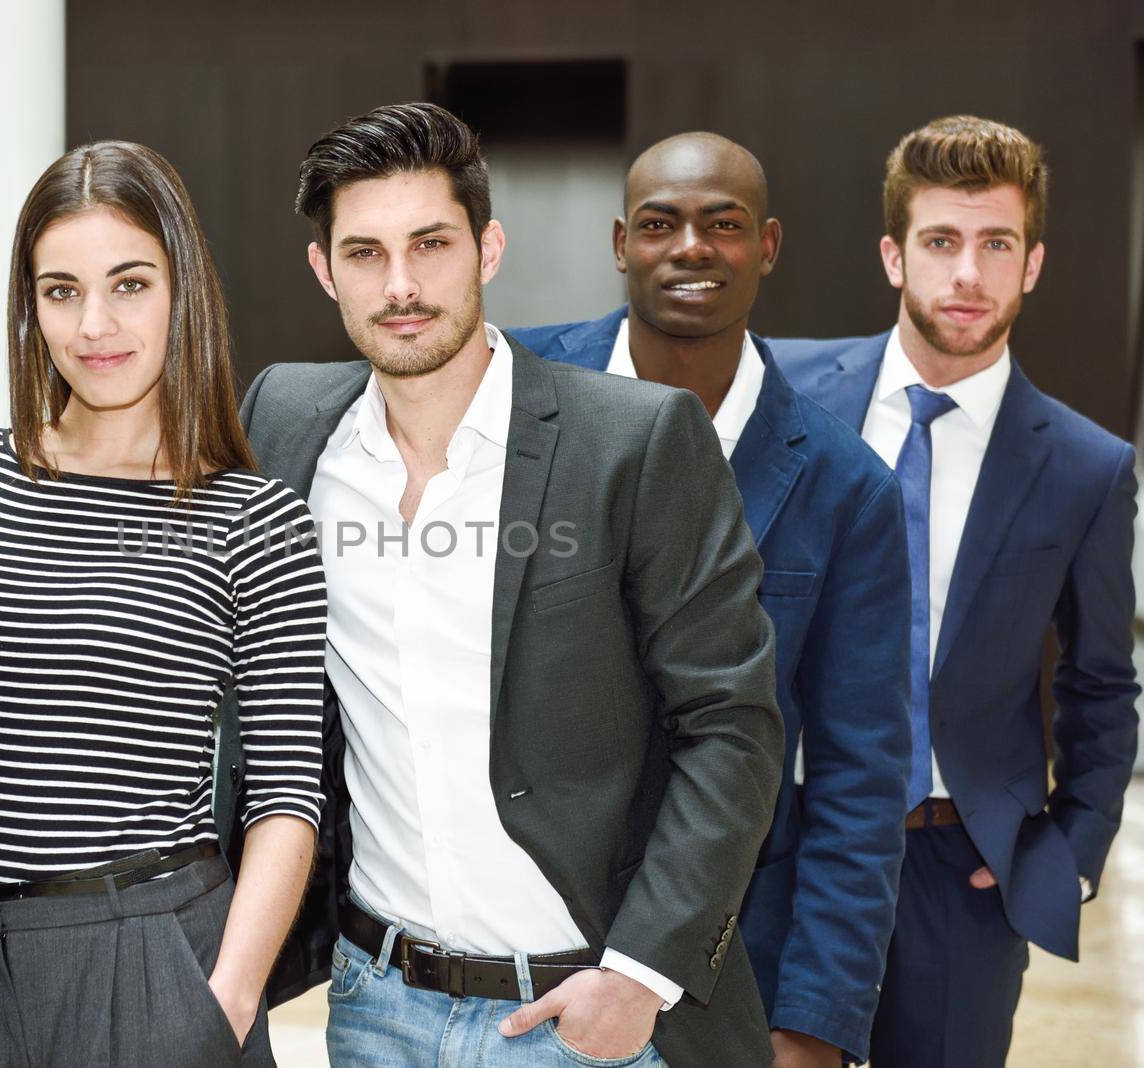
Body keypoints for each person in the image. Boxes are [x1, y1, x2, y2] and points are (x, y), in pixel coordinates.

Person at [239, 101, 783, 1068]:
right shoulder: (285, 421)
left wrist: (639, 977)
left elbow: (731, 726)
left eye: (431, 244)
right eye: (364, 253)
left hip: (582, 1014)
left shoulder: (634, 441)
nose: (401, 285)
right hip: (377, 1004)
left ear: (487, 248)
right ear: (324, 271)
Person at [0, 141, 326, 1068]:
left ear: (183, 290)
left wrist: (225, 1005)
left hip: (160, 961)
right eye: (61, 290)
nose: (95, 324)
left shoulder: (253, 515)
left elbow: (288, 796)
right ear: (31, 306)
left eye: (128, 284)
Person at [511, 132, 911, 1068]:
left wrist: (815, 1022)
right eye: (661, 224)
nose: (691, 248)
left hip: (723, 968)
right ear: (621, 245)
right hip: (507, 946)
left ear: (766, 247)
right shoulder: (510, 394)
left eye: (722, 225)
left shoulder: (849, 488)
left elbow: (860, 784)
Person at [772, 114, 1140, 1068]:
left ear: (1034, 264)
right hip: (787, 842)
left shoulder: (1088, 469)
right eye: (941, 242)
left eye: (996, 244)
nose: (967, 273)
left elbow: (1103, 686)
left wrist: (1063, 861)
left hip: (956, 872)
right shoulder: (787, 394)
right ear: (895, 256)